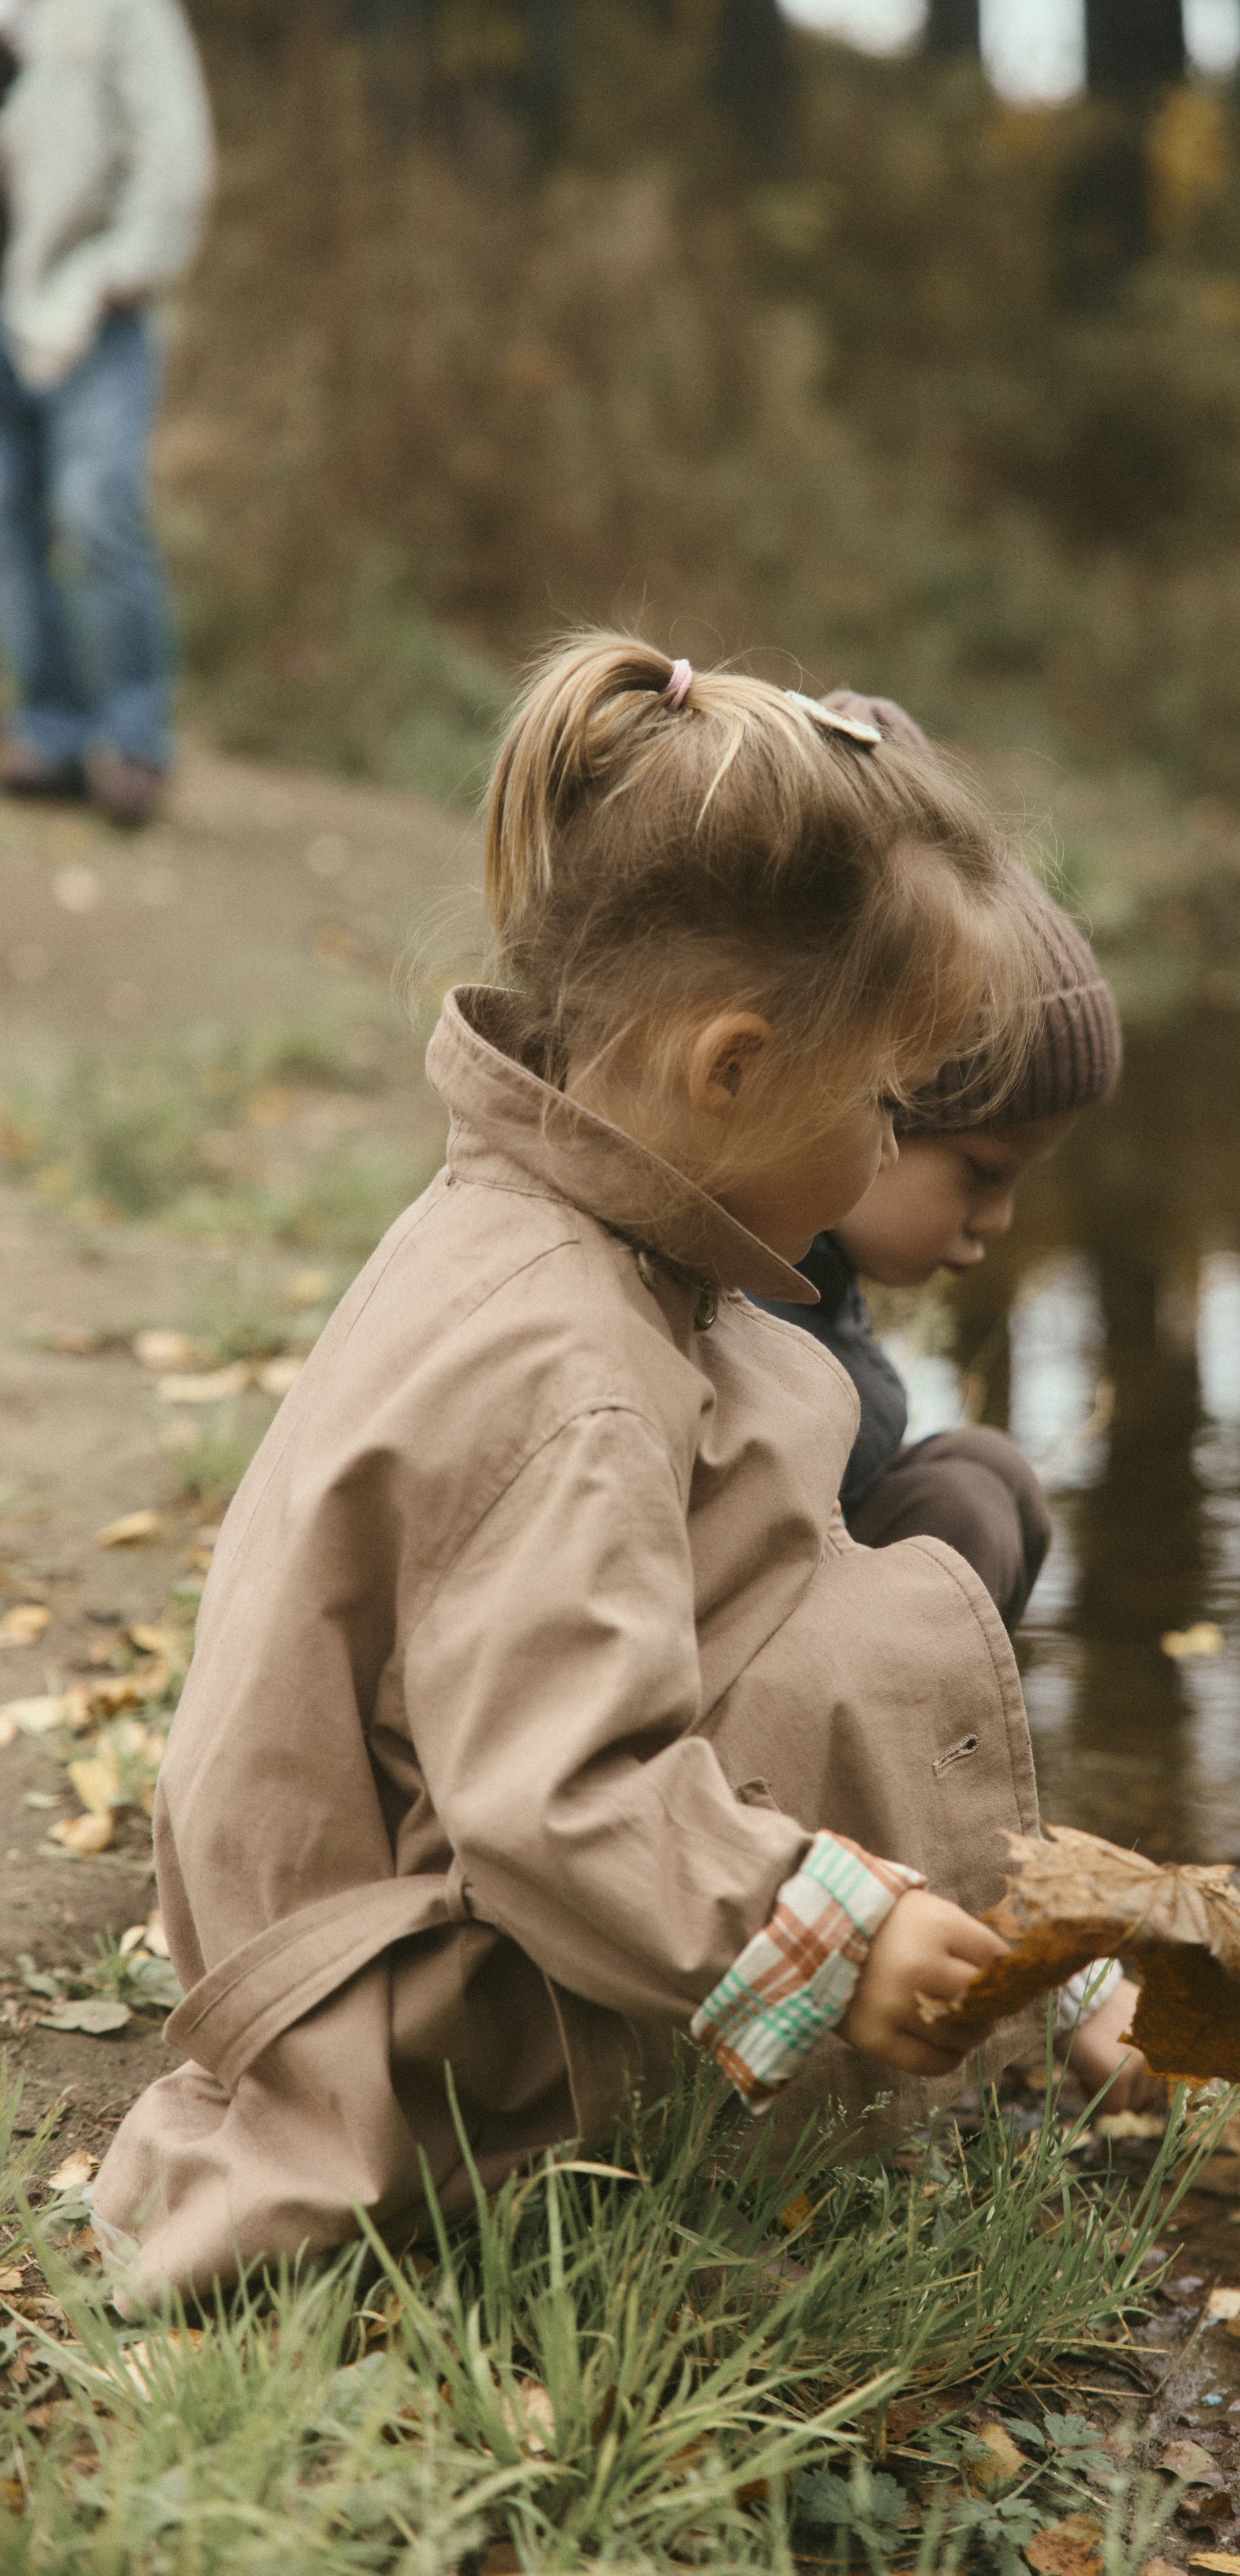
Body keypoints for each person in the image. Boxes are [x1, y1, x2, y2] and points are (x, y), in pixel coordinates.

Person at [94, 637, 1151, 2309]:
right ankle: (953, 1986)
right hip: (405, 2028)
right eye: (883, 1101)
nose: (888, 1146)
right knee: (867, 1637)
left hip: (386, 1922)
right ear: (730, 1067)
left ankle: (1009, 1974)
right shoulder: (563, 1361)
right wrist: (833, 1937)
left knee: (845, 1601)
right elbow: (556, 1791)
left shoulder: (562, 1227)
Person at [756, 694, 1122, 1635]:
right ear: (864, 1102)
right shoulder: (722, 1298)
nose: (997, 1221)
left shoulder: (805, 1263)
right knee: (963, 1505)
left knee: (988, 1478)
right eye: (981, 1173)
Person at [0, 0, 213, 826]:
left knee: (96, 514)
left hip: (97, 310)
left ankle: (132, 742)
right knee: (10, 524)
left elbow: (176, 152)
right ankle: (49, 733)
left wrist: (111, 280)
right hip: (6, 303)